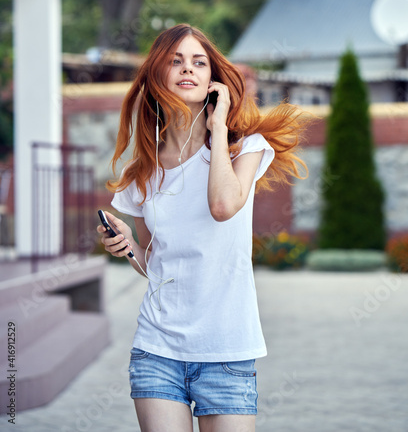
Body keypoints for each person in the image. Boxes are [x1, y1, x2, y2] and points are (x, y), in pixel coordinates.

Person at [97, 24, 309, 432]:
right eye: (175, 61)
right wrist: (127, 247)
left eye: (198, 61)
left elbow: (223, 205)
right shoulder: (144, 171)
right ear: (157, 73)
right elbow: (157, 265)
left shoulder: (245, 148)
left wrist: (217, 127)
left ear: (213, 78)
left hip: (227, 351)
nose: (187, 69)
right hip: (157, 349)